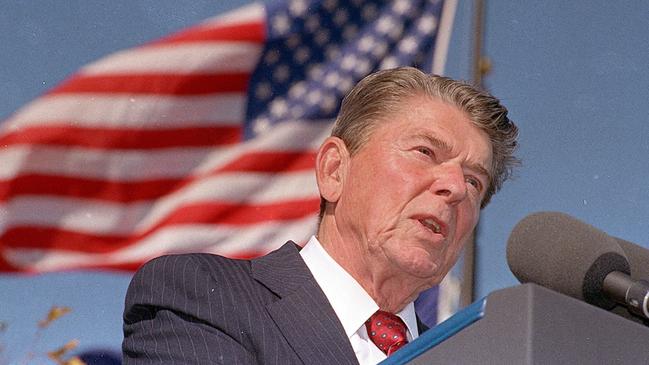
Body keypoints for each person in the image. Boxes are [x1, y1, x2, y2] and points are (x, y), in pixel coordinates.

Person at [122, 67, 519, 364]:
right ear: (334, 171)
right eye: (425, 152)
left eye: (474, 182)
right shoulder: (202, 297)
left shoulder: (466, 357)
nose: (453, 187)